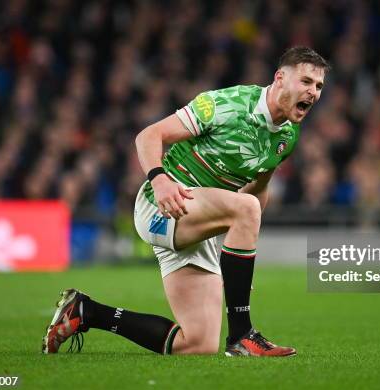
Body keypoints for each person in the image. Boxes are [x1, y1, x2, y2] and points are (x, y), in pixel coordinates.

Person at [42, 46, 329, 357]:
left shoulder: (288, 133)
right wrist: (160, 179)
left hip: (197, 223)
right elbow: (148, 136)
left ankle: (87, 312)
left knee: (198, 344)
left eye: (318, 86)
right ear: (280, 79)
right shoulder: (226, 105)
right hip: (162, 204)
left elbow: (258, 189)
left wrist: (240, 261)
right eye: (306, 82)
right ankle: (242, 335)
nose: (313, 92)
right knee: (247, 210)